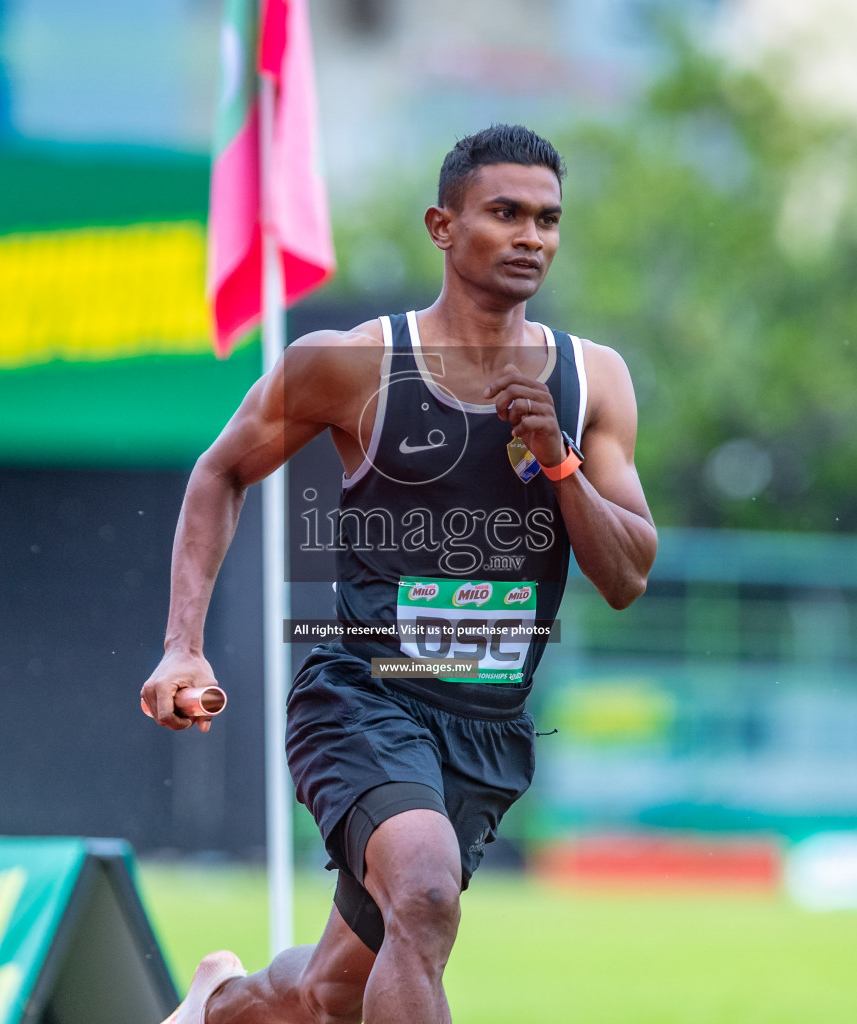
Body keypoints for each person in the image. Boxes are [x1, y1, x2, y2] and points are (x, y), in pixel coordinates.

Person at [141, 124, 657, 1024]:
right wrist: (182, 646)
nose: (532, 236)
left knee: (332, 992)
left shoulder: (593, 380)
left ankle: (218, 1005)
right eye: (506, 213)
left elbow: (628, 573)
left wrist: (560, 462)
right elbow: (220, 472)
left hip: (488, 726)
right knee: (423, 895)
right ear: (443, 226)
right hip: (364, 696)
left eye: (548, 218)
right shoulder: (353, 363)